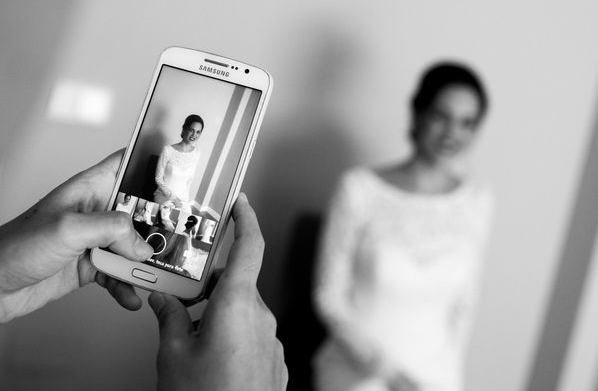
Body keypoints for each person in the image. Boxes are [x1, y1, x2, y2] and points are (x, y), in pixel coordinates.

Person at [0, 150, 287, 391]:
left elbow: (187, 184)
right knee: (156, 217)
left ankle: (174, 253)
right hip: (162, 194)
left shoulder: (195, 154)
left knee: (183, 229)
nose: (192, 134)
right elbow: (162, 179)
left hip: (179, 200)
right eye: (190, 128)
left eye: (197, 131)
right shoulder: (168, 151)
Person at [313, 62, 494, 391]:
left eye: (467, 122)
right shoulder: (359, 189)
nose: (452, 132)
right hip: (359, 370)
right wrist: (389, 374)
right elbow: (329, 297)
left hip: (437, 376)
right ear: (419, 112)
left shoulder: (478, 202)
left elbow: (465, 306)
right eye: (442, 116)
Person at [154, 114, 204, 213]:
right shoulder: (168, 150)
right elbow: (158, 179)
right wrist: (174, 199)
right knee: (164, 219)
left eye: (198, 132)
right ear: (184, 129)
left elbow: (189, 181)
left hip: (183, 199)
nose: (194, 135)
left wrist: (185, 203)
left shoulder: (197, 153)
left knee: (185, 222)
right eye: (191, 130)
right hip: (164, 196)